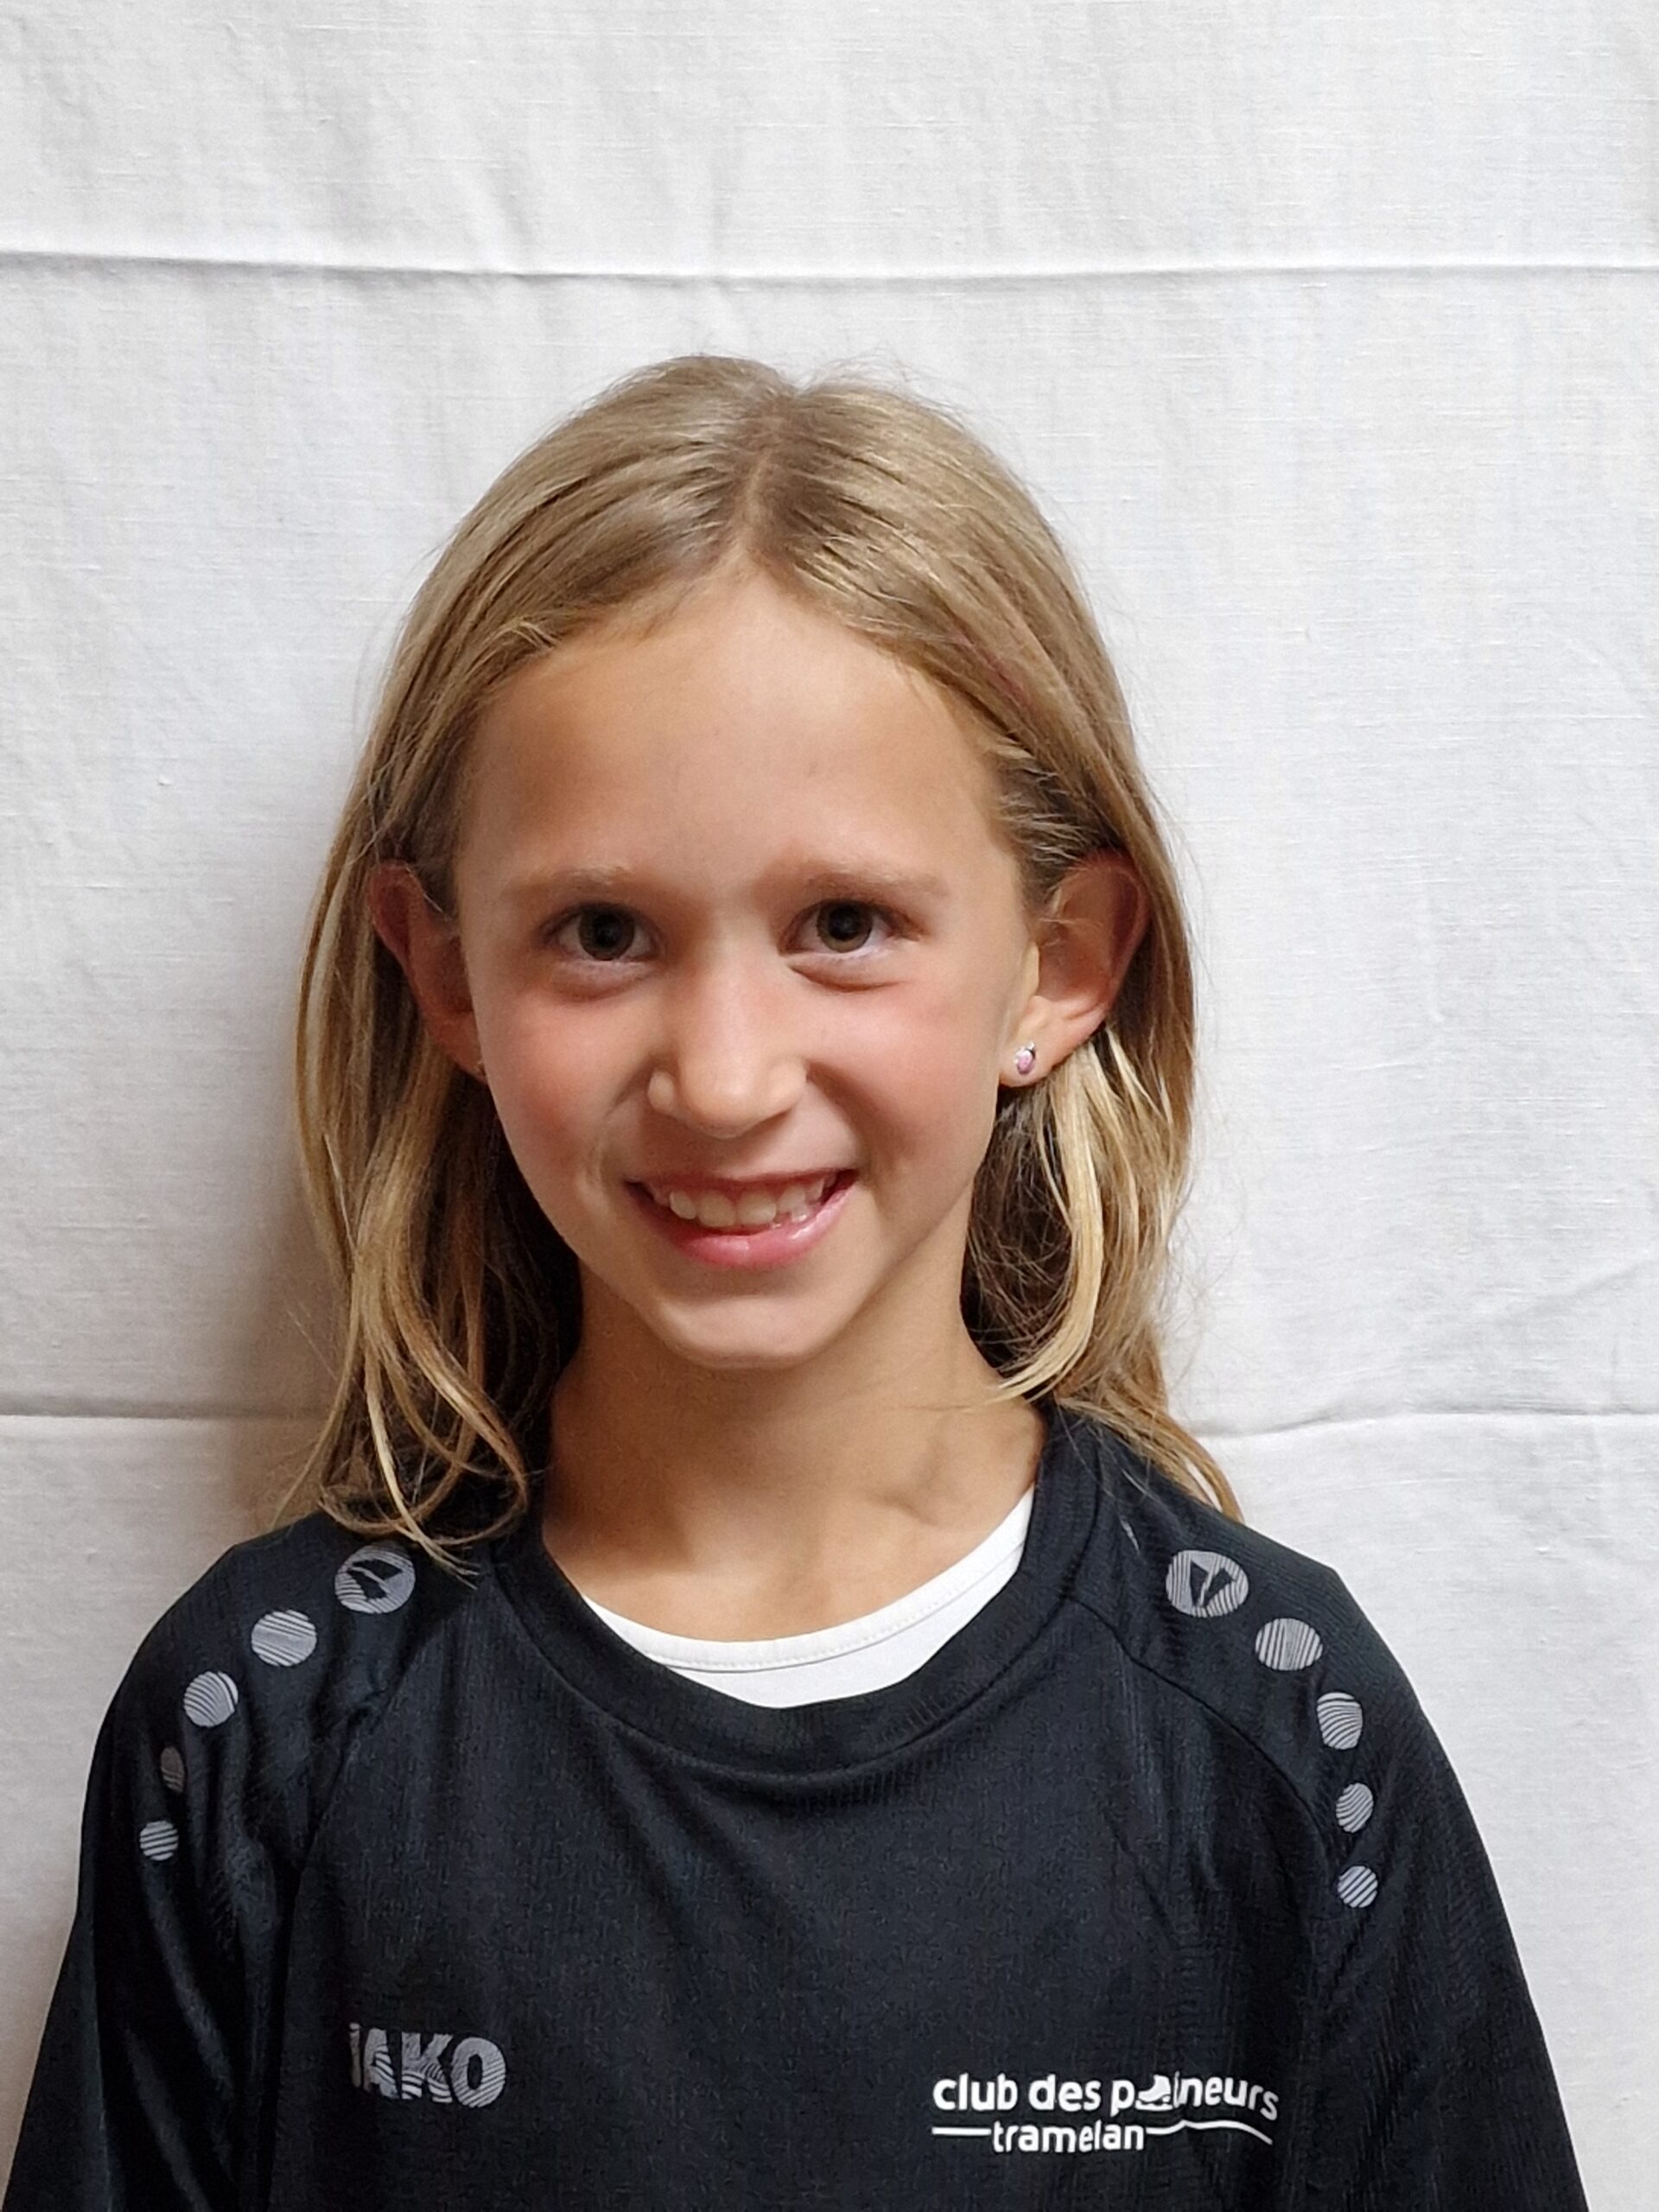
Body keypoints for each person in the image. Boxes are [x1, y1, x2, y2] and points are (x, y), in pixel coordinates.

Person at [4, 353, 1589, 2210]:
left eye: (845, 924)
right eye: (603, 931)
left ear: (1061, 961)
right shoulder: (262, 1729)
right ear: (440, 972)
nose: (727, 1075)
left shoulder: (1282, 1736)